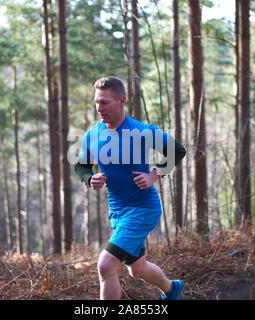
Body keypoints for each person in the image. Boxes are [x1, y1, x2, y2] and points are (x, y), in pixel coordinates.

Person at [75, 76, 186, 300]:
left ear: (121, 100)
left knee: (106, 266)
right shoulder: (93, 134)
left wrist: (153, 175)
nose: (99, 108)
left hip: (143, 208)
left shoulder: (140, 131)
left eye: (104, 102)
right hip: (117, 212)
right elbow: (81, 165)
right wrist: (89, 179)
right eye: (96, 102)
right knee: (137, 270)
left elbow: (177, 149)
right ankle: (171, 289)